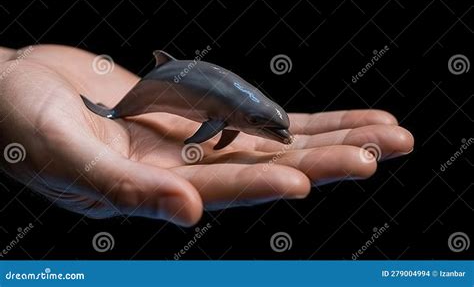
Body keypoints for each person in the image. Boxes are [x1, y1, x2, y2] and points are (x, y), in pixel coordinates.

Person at [0, 45, 414, 226]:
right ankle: (114, 110)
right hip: (155, 88)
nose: (276, 134)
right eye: (265, 125)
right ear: (237, 118)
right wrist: (12, 69)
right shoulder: (223, 116)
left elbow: (224, 126)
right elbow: (213, 126)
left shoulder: (235, 117)